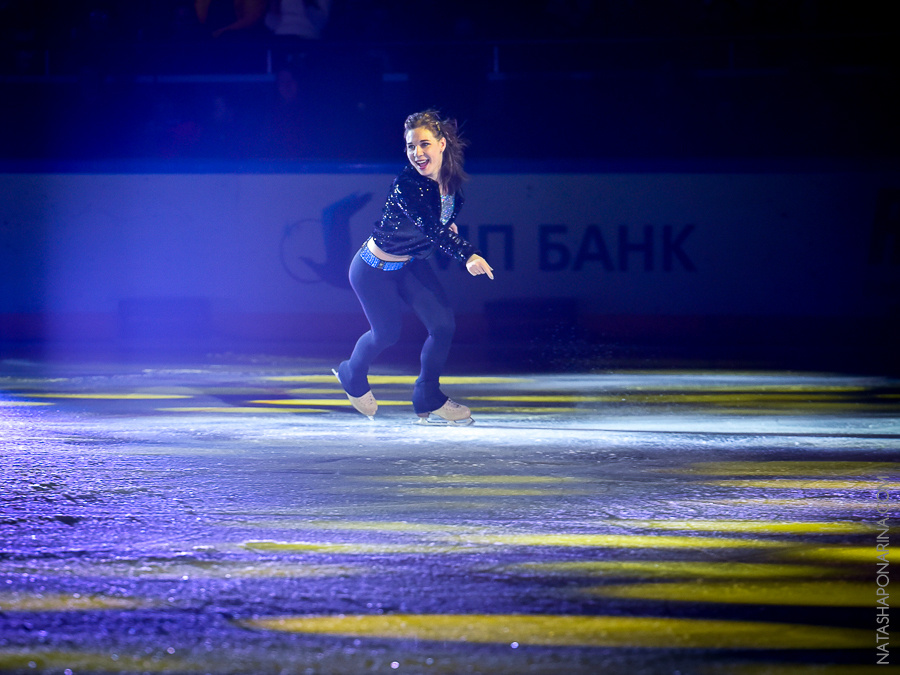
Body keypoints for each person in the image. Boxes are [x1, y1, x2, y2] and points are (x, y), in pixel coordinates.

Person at [334, 110, 494, 425]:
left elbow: (436, 226)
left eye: (424, 144)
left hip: (409, 264)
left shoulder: (451, 185)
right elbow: (431, 228)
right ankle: (351, 372)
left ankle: (427, 394)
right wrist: (468, 254)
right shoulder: (408, 184)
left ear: (442, 144)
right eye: (411, 146)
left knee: (443, 326)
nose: (417, 153)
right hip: (372, 270)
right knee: (386, 334)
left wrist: (447, 230)